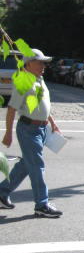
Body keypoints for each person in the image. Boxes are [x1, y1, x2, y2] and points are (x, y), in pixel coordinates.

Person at [0, 49, 63, 218]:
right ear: (28, 64)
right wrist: (8, 133)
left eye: (44, 62)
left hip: (41, 129)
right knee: (37, 166)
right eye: (40, 62)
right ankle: (41, 205)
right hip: (28, 130)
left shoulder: (39, 80)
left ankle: (1, 193)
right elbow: (12, 109)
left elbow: (42, 104)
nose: (44, 66)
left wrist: (52, 123)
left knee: (26, 165)